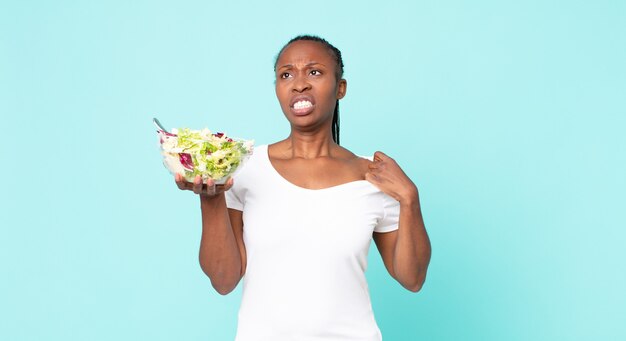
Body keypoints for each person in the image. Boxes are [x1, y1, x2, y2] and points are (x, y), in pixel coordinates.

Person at [175, 35, 431, 341]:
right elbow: (223, 280)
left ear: (340, 88)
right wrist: (211, 198)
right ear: (277, 89)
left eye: (314, 72)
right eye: (286, 74)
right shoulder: (243, 167)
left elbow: (412, 279)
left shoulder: (373, 176)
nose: (299, 84)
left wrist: (409, 198)